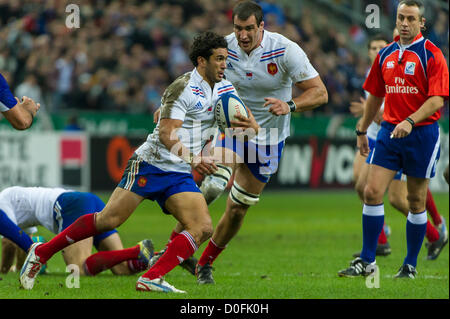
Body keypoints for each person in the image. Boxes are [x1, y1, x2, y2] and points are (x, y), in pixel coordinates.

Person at [19, 31, 242, 293]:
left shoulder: (224, 86)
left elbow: (233, 115)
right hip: (151, 163)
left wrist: (248, 123)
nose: (224, 65)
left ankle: (152, 277)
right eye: (219, 59)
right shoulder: (183, 88)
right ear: (202, 61)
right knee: (107, 220)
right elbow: (166, 133)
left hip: (178, 171)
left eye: (226, 59)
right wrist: (195, 158)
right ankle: (41, 252)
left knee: (202, 227)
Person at [154, 1, 328, 284]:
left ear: (262, 26)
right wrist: (170, 106)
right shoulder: (225, 47)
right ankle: (174, 248)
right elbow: (196, 78)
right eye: (238, 28)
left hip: (270, 138)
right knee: (212, 184)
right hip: (232, 130)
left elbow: (320, 93)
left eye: (249, 28)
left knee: (237, 210)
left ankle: (205, 263)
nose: (243, 35)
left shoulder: (285, 49)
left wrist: (290, 105)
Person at [338, 0, 449, 279]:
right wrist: (362, 130)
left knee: (414, 200)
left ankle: (410, 265)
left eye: (411, 19)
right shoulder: (385, 54)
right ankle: (366, 260)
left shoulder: (432, 55)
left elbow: (437, 100)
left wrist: (410, 121)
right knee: (371, 192)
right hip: (389, 133)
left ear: (421, 23)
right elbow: (374, 95)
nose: (404, 23)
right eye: (401, 17)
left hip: (422, 134)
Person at [0, 186, 154, 276]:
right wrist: (21, 268)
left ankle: (136, 251)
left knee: (78, 269)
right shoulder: (12, 197)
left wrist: (3, 270)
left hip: (71, 206)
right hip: (88, 200)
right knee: (122, 268)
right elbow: (25, 241)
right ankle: (157, 257)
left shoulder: (2, 202)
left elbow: (9, 243)